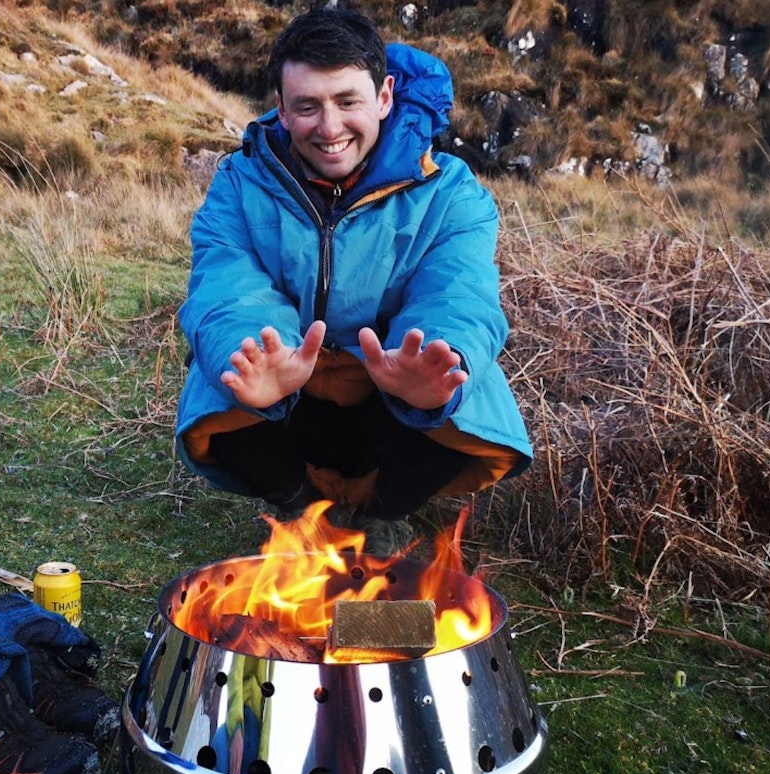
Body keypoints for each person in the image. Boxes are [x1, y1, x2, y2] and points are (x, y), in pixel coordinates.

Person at [175, 7, 532, 531]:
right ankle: (301, 508)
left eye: (348, 102)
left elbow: (459, 293)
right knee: (225, 387)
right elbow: (227, 286)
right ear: (281, 106)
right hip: (290, 392)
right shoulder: (238, 181)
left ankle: (381, 515)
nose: (329, 127)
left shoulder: (452, 191)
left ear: (384, 96)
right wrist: (250, 350)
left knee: (460, 394)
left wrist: (440, 357)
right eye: (307, 106)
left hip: (389, 392)